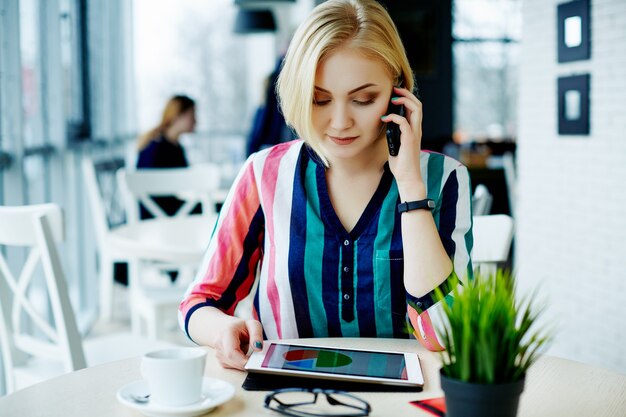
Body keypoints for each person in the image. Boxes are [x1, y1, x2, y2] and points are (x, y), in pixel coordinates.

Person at [179, 0, 473, 370]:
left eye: (363, 99)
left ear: (398, 93)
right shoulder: (262, 174)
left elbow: (447, 334)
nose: (339, 122)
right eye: (319, 100)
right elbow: (198, 303)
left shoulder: (443, 180)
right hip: (284, 394)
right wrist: (223, 327)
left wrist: (412, 188)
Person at [136, 94, 197, 218]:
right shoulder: (155, 148)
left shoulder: (175, 146)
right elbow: (152, 193)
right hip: (159, 214)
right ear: (177, 116)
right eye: (192, 115)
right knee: (221, 209)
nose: (196, 121)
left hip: (170, 209)